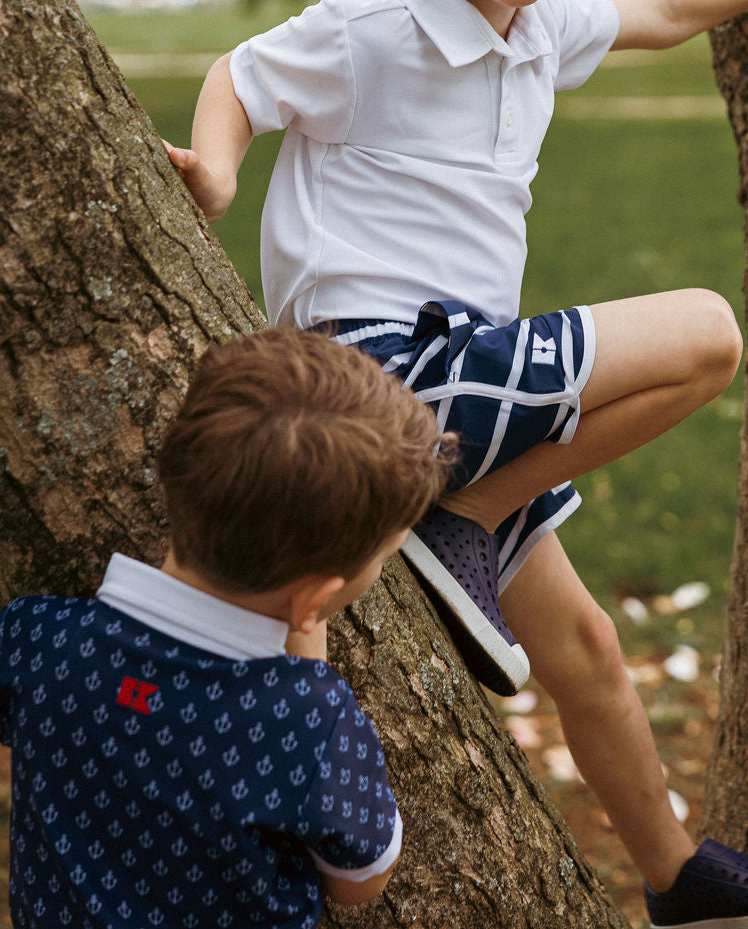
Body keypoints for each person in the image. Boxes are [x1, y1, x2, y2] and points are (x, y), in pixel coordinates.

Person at [164, 0, 748, 928]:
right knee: (707, 330)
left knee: (588, 649)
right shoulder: (373, 26)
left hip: (466, 389)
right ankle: (461, 518)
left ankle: (674, 878)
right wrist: (224, 174)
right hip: (376, 383)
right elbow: (243, 74)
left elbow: (659, 11)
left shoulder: (540, 29)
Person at [0, 327, 451, 929]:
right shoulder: (311, 720)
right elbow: (361, 880)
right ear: (315, 597)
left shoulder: (36, 640)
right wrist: (307, 670)